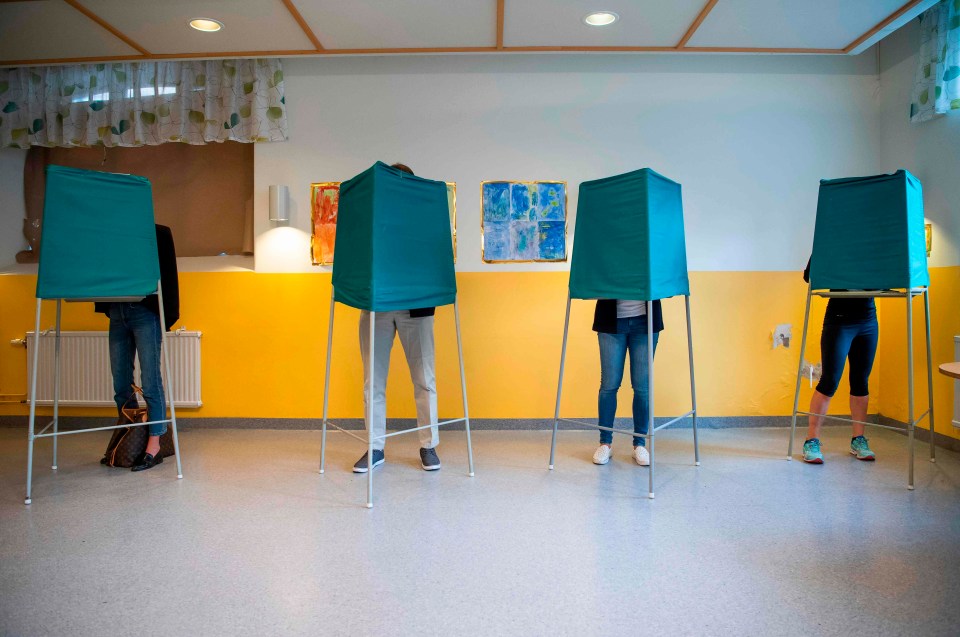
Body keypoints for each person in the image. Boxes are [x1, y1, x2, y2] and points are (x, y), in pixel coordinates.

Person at [352, 163, 441, 474]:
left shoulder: (424, 221)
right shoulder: (374, 221)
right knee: (372, 381)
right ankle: (375, 448)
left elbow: (436, 260)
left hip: (416, 308)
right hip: (376, 305)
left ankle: (429, 446)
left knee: (424, 379)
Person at [96, 224, 180, 472]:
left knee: (150, 379)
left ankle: (154, 444)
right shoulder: (110, 233)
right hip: (117, 309)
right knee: (120, 380)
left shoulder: (157, 233)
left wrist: (166, 315)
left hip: (145, 310)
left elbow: (168, 274)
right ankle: (130, 439)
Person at [801, 258, 878, 464]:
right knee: (829, 381)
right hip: (839, 319)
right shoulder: (834, 241)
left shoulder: (871, 244)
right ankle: (811, 440)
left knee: (861, 381)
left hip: (868, 319)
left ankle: (858, 439)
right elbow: (809, 276)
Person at [591, 298, 663, 466]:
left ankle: (640, 444)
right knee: (609, 385)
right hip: (610, 321)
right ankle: (605, 443)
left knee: (642, 388)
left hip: (646, 320)